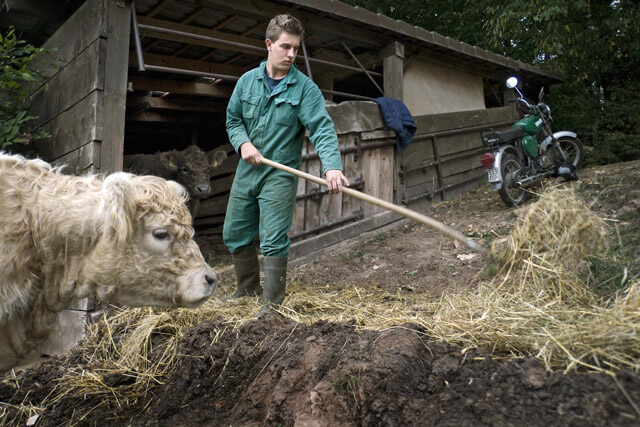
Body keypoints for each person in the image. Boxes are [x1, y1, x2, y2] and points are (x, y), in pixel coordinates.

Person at [223, 14, 349, 312]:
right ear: (269, 45)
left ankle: (271, 306)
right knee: (234, 232)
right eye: (285, 47)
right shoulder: (246, 83)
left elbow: (321, 128)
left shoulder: (304, 89)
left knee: (273, 239)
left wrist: (331, 166)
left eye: (296, 48)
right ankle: (247, 291)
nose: (292, 54)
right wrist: (243, 144)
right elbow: (233, 120)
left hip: (279, 174)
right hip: (247, 170)